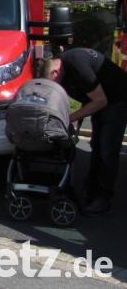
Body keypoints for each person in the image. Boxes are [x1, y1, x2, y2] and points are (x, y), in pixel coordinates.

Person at [37, 48, 127, 215]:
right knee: (96, 145)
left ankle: (103, 198)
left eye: (52, 83)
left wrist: (69, 118)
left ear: (55, 72)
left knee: (107, 149)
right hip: (102, 100)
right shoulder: (64, 70)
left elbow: (100, 100)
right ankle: (92, 188)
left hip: (117, 99)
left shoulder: (76, 63)